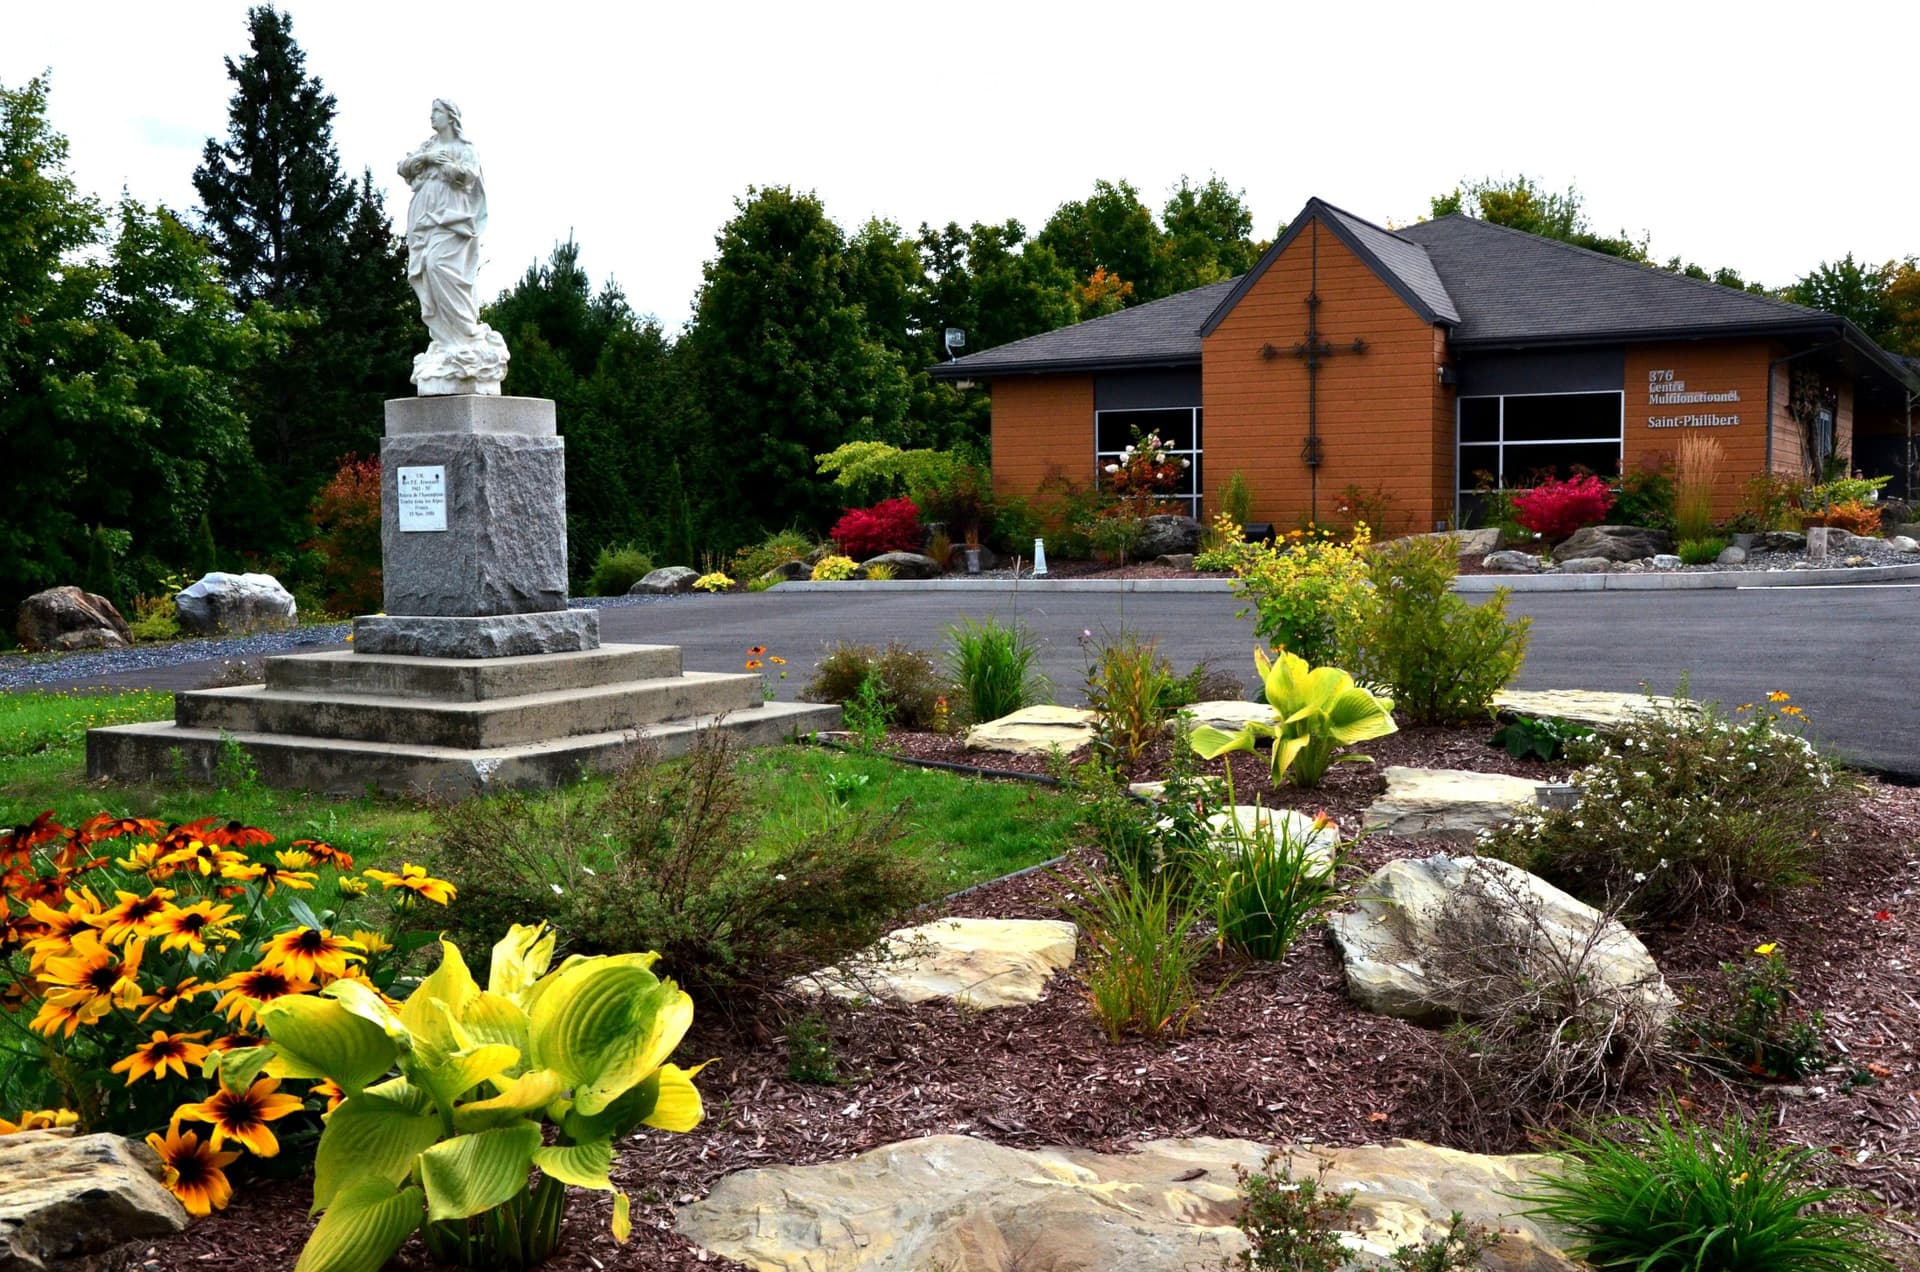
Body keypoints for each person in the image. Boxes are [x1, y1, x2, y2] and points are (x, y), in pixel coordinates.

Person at [397, 99, 507, 392]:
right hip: (423, 216)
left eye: (436, 112)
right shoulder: (427, 145)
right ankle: (446, 340)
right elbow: (403, 167)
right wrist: (428, 159)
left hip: (453, 217)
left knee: (439, 266)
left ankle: (466, 333)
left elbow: (468, 177)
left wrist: (446, 164)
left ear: (450, 117)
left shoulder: (465, 148)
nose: (431, 116)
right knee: (427, 272)